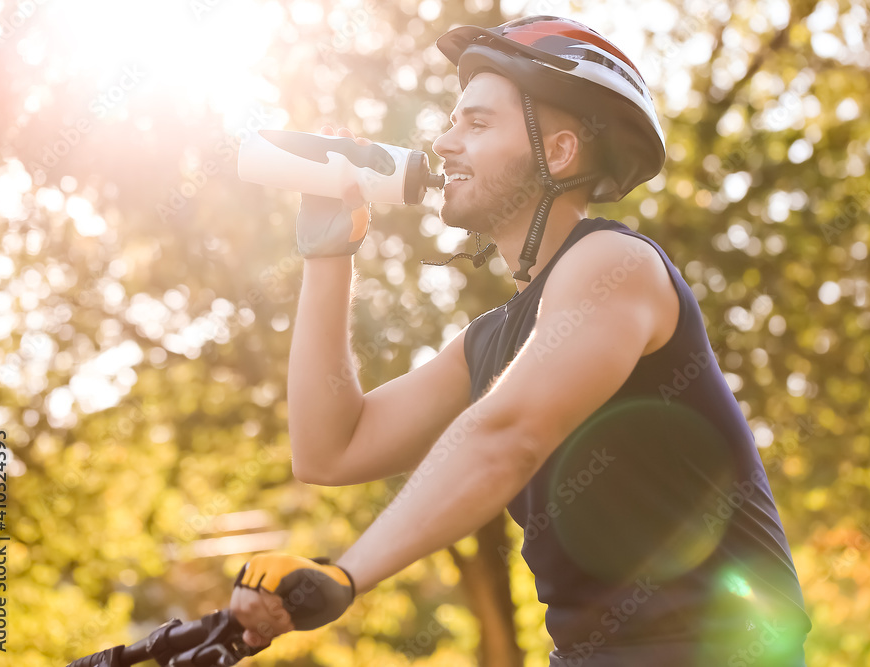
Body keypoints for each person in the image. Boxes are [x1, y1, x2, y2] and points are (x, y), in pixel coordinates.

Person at [230, 15, 812, 666]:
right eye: (451, 122)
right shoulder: (492, 342)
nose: (444, 143)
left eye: (477, 124)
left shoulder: (615, 264)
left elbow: (508, 434)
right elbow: (329, 448)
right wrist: (328, 253)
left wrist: (344, 575)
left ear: (560, 152)